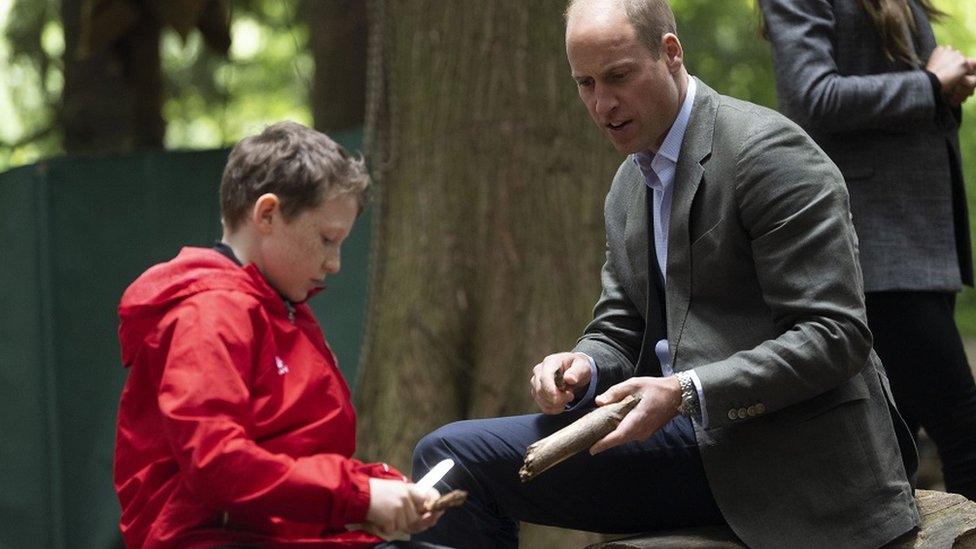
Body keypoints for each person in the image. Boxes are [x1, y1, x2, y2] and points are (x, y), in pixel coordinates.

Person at [411, 0, 920, 547]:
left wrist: (686, 391)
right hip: (688, 442)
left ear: (671, 53)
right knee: (449, 461)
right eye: (585, 84)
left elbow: (835, 336)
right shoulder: (630, 186)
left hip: (787, 463)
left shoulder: (769, 154)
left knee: (452, 457)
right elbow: (620, 329)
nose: (602, 104)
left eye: (618, 77)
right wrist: (581, 365)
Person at [114, 121, 445, 548]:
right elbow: (219, 465)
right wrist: (358, 497)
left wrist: (379, 487)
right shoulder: (208, 315)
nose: (335, 264)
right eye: (327, 239)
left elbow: (294, 454)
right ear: (267, 214)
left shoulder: (282, 308)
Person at [758, 0, 976, 500]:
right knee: (965, 434)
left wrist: (946, 87)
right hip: (873, 247)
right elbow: (812, 97)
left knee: (894, 450)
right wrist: (927, 85)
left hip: (921, 242)